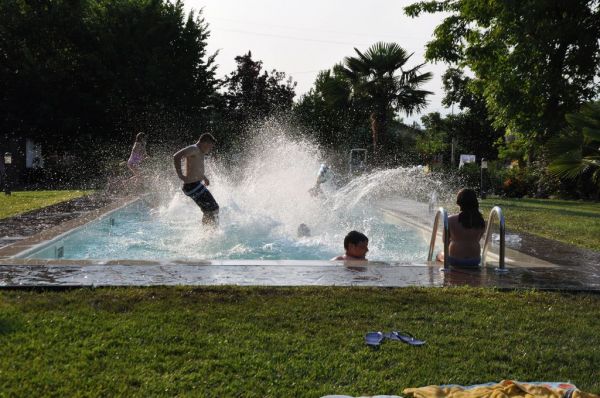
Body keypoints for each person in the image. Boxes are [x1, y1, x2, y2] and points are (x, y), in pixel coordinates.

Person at [173, 133, 219, 225]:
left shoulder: (199, 151)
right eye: (210, 147)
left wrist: (204, 177)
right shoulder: (194, 149)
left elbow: (195, 167)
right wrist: (180, 175)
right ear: (205, 143)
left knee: (209, 210)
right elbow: (176, 156)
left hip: (195, 185)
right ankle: (209, 232)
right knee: (213, 208)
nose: (210, 150)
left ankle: (207, 232)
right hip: (192, 185)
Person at [436, 188, 486, 267]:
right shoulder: (480, 221)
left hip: (455, 260)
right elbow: (478, 239)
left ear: (459, 202)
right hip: (475, 260)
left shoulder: (450, 219)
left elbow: (445, 241)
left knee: (439, 254)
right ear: (475, 202)